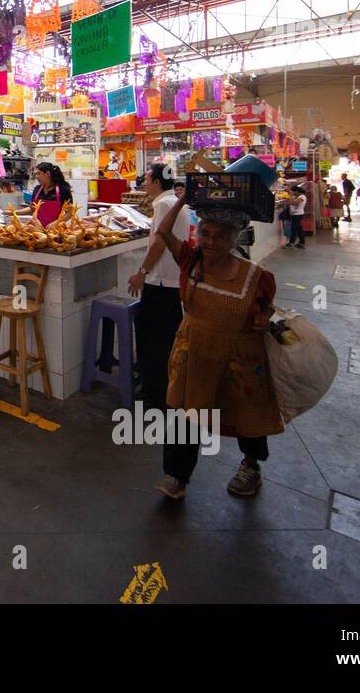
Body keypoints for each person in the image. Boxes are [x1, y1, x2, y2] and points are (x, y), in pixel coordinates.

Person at [152, 185, 283, 500]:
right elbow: (163, 230)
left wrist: (265, 316)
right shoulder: (190, 261)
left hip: (240, 356)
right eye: (205, 234)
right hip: (193, 350)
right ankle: (177, 476)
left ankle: (251, 466)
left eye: (219, 236)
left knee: (246, 413)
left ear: (234, 239)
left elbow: (267, 307)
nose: (210, 242)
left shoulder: (256, 276)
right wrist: (185, 196)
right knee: (186, 411)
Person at [127, 163, 188, 411]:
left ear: (157, 182)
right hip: (171, 282)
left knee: (153, 340)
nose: (144, 182)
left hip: (161, 282)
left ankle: (156, 395)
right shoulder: (170, 202)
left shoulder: (164, 205)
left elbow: (160, 244)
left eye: (147, 178)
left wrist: (142, 272)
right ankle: (167, 390)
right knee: (167, 339)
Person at [23, 162, 72, 226]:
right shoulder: (37, 189)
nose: (36, 176)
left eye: (39, 173)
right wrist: (14, 212)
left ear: (47, 174)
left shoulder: (63, 190)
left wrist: (55, 223)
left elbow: (69, 213)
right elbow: (31, 209)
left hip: (55, 229)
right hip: (37, 228)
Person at [287, 183, 308, 249]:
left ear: (296, 191)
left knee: (294, 229)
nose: (293, 193)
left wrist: (290, 195)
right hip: (296, 214)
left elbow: (293, 203)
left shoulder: (302, 197)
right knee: (299, 229)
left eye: (293, 192)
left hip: (297, 215)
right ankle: (302, 243)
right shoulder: (299, 196)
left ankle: (291, 243)